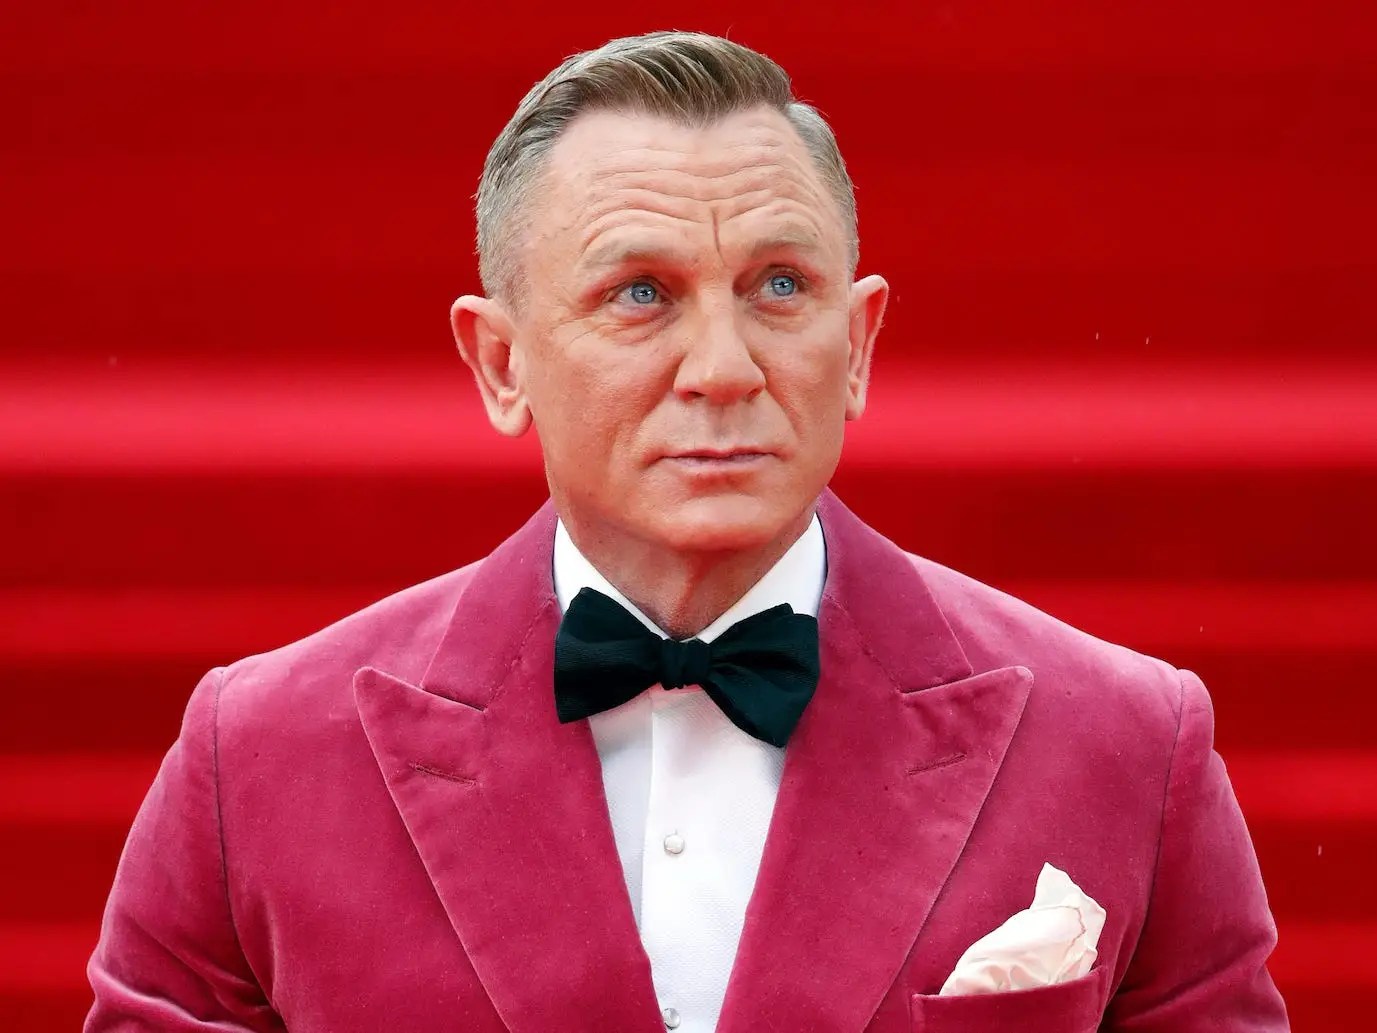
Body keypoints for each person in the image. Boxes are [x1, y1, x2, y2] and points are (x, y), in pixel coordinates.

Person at [85, 31, 1288, 1032]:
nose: (723, 368)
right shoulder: (262, 759)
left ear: (857, 344)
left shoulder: (1125, 744)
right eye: (641, 294)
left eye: (780, 287)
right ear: (501, 363)